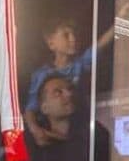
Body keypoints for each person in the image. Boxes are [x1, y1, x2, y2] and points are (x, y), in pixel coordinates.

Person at [24, 19, 92, 148]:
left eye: (74, 34)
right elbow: (30, 108)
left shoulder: (80, 65)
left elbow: (97, 49)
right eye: (66, 35)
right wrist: (35, 130)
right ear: (51, 43)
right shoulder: (41, 74)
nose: (73, 39)